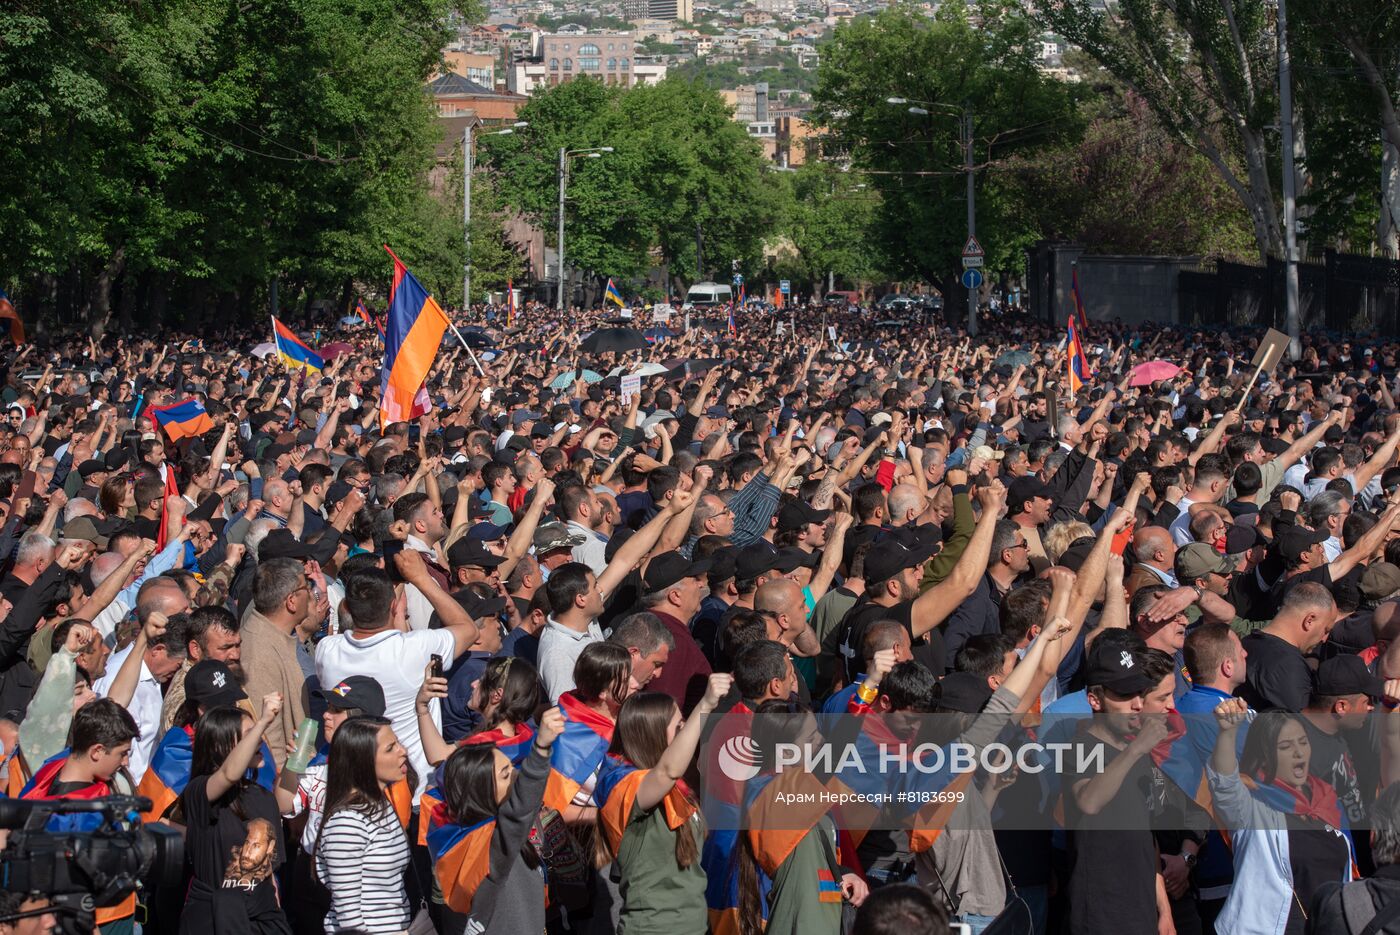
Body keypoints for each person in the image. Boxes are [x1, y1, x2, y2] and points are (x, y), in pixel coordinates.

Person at [595, 673, 733, 935]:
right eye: (679, 726)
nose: (687, 732)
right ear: (653, 734)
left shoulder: (678, 789)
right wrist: (705, 705)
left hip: (694, 926)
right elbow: (666, 770)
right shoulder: (623, 785)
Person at [1210, 698, 1356, 935]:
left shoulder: (1327, 799)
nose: (1299, 752)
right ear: (1266, 756)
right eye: (1286, 746)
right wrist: (1227, 733)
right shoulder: (1253, 803)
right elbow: (1224, 784)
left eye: (1303, 742)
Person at [426, 704, 566, 935]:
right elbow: (520, 811)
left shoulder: (469, 835)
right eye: (505, 773)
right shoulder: (489, 844)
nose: (516, 773)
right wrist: (541, 748)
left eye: (511, 766)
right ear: (482, 790)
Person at [177, 695, 290, 935]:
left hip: (262, 916)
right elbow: (228, 774)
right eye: (249, 734)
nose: (259, 740)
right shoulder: (199, 791)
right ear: (222, 745)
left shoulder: (263, 796)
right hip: (215, 919)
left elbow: (269, 870)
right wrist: (263, 722)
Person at [314, 716, 416, 935]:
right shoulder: (346, 823)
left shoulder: (382, 804)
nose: (403, 751)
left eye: (398, 742)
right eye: (391, 748)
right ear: (363, 760)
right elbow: (349, 917)